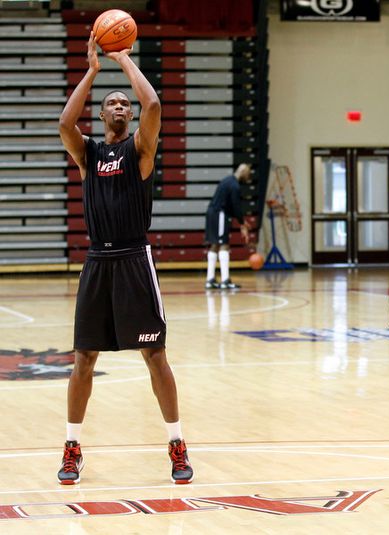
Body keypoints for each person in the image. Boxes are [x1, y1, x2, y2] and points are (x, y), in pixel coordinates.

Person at [57, 32, 193, 485]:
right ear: (100, 113)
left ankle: (176, 443)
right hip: (97, 261)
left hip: (136, 258)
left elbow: (154, 106)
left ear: (130, 115)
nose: (119, 106)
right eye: (111, 103)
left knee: (154, 354)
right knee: (84, 358)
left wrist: (123, 61)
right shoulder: (89, 153)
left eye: (124, 104)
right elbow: (63, 123)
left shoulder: (140, 149)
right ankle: (73, 446)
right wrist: (94, 70)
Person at [204, 164, 251, 290]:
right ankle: (225, 280)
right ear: (243, 171)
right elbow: (236, 207)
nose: (249, 176)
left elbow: (232, 207)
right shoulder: (234, 185)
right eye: (248, 173)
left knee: (215, 244)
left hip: (212, 212)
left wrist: (242, 222)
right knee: (224, 244)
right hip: (219, 214)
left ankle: (210, 279)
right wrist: (242, 223)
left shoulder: (227, 180)